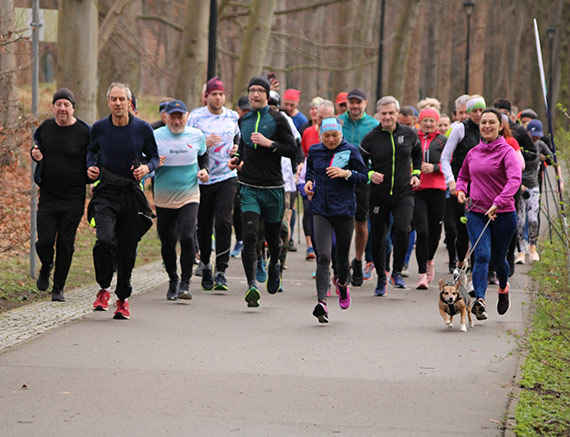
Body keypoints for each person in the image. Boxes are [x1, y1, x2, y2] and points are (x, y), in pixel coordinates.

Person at [86, 82, 159, 320]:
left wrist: (146, 168)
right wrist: (91, 167)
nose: (118, 103)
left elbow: (155, 157)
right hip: (106, 191)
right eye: (114, 99)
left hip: (131, 192)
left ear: (130, 102)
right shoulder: (99, 128)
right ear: (108, 102)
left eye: (122, 99)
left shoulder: (142, 128)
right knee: (104, 240)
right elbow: (91, 151)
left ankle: (123, 299)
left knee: (127, 249)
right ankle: (104, 287)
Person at [228, 75, 297, 308]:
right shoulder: (244, 120)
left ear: (267, 95)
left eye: (260, 90)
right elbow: (244, 148)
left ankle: (275, 264)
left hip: (273, 188)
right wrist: (236, 159)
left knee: (272, 238)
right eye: (252, 90)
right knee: (249, 236)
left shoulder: (278, 119)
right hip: (248, 187)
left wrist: (270, 144)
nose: (255, 94)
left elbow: (292, 150)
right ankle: (251, 286)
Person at [456, 108, 522, 320]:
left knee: (499, 258)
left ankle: (503, 288)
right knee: (481, 255)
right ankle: (480, 301)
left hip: (503, 213)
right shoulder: (473, 152)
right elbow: (463, 176)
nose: (486, 126)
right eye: (483, 122)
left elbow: (514, 180)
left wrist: (499, 202)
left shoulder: (507, 152)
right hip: (476, 211)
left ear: (500, 126)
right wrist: (460, 190)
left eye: (491, 122)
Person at [304, 117, 368, 323]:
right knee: (323, 256)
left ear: (341, 134)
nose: (331, 140)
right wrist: (308, 182)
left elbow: (364, 176)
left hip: (344, 210)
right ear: (321, 135)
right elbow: (310, 171)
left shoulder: (351, 150)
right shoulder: (315, 151)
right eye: (326, 136)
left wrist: (346, 173)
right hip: (321, 209)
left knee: (341, 259)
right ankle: (321, 302)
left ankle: (342, 285)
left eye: (335, 136)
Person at [31, 88, 90, 302]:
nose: (62, 108)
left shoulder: (84, 131)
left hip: (74, 197)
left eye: (66, 104)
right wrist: (34, 154)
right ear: (53, 107)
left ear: (73, 108)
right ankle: (46, 266)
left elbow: (93, 158)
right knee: (44, 242)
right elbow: (37, 148)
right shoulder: (45, 128)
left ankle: (59, 288)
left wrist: (92, 174)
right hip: (48, 196)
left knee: (66, 243)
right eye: (59, 104)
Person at [361, 95, 421, 295]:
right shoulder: (371, 138)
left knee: (403, 230)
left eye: (391, 113)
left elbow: (417, 152)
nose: (387, 117)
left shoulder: (409, 134)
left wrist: (416, 173)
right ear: (378, 114)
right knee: (379, 238)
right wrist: (369, 173)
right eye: (383, 113)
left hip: (404, 192)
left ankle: (396, 271)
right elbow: (359, 163)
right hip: (379, 195)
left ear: (397, 113)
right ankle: (381, 276)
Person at [188, 77, 240, 291]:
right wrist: (203, 143)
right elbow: (186, 141)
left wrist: (236, 148)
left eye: (220, 94)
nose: (218, 98)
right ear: (206, 96)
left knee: (224, 222)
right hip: (203, 178)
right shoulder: (196, 116)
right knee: (204, 223)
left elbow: (239, 138)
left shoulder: (233, 116)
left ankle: (221, 270)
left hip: (227, 177)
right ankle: (206, 264)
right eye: (213, 94)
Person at [154, 100, 209, 300]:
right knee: (167, 242)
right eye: (173, 116)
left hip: (189, 194)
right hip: (164, 198)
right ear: (166, 117)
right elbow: (145, 160)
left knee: (186, 236)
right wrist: (153, 164)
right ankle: (173, 279)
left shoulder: (196, 135)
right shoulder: (156, 136)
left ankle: (185, 283)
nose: (177, 120)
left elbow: (203, 156)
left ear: (186, 117)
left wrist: (205, 170)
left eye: (180, 116)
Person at [440, 95, 485, 275]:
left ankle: (476, 270)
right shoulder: (460, 129)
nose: (478, 114)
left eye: (481, 110)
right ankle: (460, 263)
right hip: (461, 186)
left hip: (482, 188)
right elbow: (445, 157)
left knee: (478, 230)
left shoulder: (488, 129)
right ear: (468, 112)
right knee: (460, 229)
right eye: (474, 110)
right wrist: (451, 181)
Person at [339, 88, 379, 287]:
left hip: (363, 179)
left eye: (358, 102)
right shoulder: (338, 121)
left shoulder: (374, 125)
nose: (354, 106)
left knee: (360, 223)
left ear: (365, 103)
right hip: (339, 178)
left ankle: (357, 259)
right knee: (340, 222)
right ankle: (342, 264)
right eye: (351, 102)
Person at [413, 108, 447, 289]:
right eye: (425, 120)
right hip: (418, 190)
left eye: (431, 121)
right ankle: (421, 274)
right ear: (420, 121)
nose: (428, 124)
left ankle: (429, 259)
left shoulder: (442, 141)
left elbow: (450, 162)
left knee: (435, 232)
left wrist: (434, 168)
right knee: (422, 231)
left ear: (436, 123)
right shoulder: (414, 138)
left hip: (437, 190)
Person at [516, 119, 553, 263]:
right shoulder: (520, 144)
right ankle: (520, 251)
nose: (535, 138)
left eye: (538, 135)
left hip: (533, 185)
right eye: (533, 135)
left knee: (532, 218)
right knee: (518, 220)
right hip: (518, 186)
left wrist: (546, 158)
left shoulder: (540, 144)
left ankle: (532, 246)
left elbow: (552, 159)